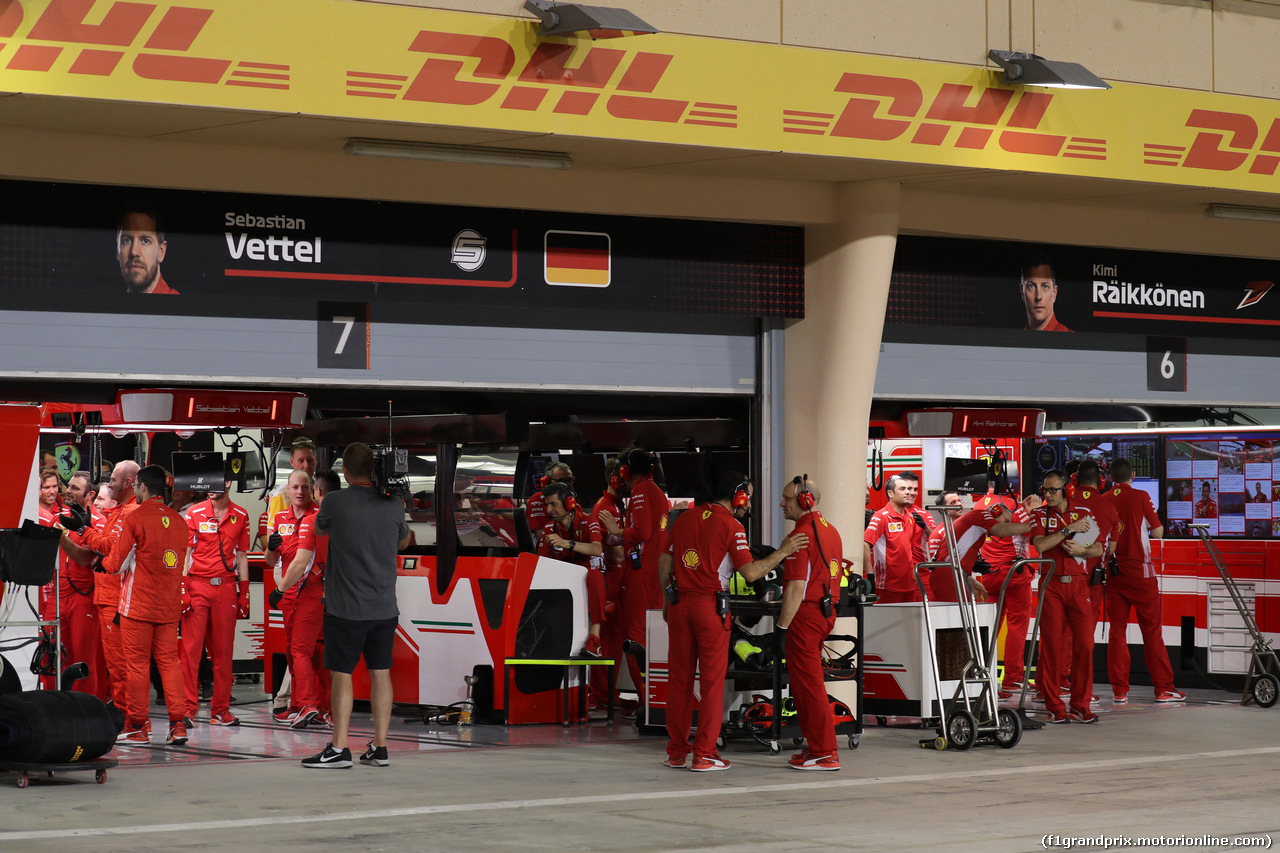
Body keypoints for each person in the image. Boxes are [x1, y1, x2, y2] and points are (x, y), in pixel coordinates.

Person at [658, 468, 805, 772]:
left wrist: (666, 600)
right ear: (737, 494)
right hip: (710, 610)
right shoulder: (732, 526)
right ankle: (704, 755)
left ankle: (676, 752)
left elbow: (663, 563)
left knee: (679, 682)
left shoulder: (683, 518)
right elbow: (751, 573)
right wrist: (784, 551)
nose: (748, 504)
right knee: (711, 683)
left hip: (680, 606)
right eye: (747, 497)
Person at [303, 442, 409, 770]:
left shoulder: (335, 502)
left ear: (345, 471)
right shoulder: (393, 503)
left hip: (345, 608)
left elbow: (319, 528)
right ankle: (379, 747)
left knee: (342, 675)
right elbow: (404, 540)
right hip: (384, 607)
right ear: (375, 469)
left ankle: (338, 748)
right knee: (381, 673)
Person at [99, 465, 190, 744]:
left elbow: (115, 565)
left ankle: (138, 726)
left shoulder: (135, 519)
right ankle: (178, 726)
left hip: (137, 606)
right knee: (169, 664)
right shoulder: (180, 521)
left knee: (137, 666)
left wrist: (100, 562)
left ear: (142, 487)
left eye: (137, 486)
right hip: (169, 606)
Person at [776, 476, 844, 771]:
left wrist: (780, 629)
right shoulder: (831, 531)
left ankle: (825, 751)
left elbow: (794, 588)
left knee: (809, 685)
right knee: (807, 684)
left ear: (805, 500)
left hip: (805, 616)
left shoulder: (800, 536)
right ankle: (816, 746)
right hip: (825, 612)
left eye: (787, 499)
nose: (782, 503)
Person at [67, 460, 141, 725]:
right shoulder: (120, 514)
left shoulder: (130, 514)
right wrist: (86, 529)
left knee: (122, 667)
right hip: (109, 597)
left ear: (129, 483)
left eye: (111, 484)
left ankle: (131, 722)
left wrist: (83, 531)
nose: (107, 486)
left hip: (117, 599)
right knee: (118, 667)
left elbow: (110, 550)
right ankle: (127, 719)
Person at [1106, 459, 1185, 704]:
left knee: (1116, 632)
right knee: (1151, 631)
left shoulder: (1104, 499)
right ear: (1133, 474)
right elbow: (1158, 532)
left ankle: (1119, 691)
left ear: (1111, 477)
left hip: (1113, 571)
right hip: (1141, 572)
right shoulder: (1141, 496)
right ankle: (1163, 688)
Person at [1029, 470, 1102, 724]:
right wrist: (1067, 529)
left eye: (1053, 490)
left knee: (1085, 645)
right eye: (1045, 491)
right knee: (1052, 648)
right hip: (1051, 587)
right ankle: (1054, 705)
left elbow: (1099, 547)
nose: (1047, 495)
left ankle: (1080, 704)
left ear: (1066, 490)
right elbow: (1040, 545)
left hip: (1080, 586)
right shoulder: (1039, 514)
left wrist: (1083, 549)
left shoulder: (1083, 513)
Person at [597, 448, 671, 700]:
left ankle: (647, 701)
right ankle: (654, 699)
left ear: (625, 471)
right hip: (654, 572)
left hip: (642, 574)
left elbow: (642, 532)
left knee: (635, 637)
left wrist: (615, 530)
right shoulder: (655, 491)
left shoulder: (641, 491)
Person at [183, 480, 251, 726]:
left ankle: (220, 709)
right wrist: (183, 587)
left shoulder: (241, 515)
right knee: (191, 652)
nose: (209, 485)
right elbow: (186, 552)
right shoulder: (194, 512)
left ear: (229, 482)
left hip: (225, 588)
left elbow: (242, 555)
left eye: (217, 479)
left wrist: (244, 592)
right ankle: (188, 709)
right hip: (197, 586)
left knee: (224, 653)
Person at [267, 470, 330, 728]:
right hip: (289, 593)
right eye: (295, 487)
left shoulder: (320, 518)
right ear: (288, 491)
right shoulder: (280, 518)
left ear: (313, 489)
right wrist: (270, 548)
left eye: (305, 487)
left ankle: (311, 705)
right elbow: (273, 560)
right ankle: (299, 704)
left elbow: (305, 561)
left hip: (312, 589)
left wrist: (280, 589)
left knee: (308, 650)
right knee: (293, 651)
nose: (300, 492)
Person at [975, 491, 1038, 697]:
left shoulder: (978, 505)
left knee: (989, 630)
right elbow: (1035, 532)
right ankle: (1013, 679)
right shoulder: (1011, 504)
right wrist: (1032, 510)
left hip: (988, 575)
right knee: (1017, 627)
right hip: (1014, 574)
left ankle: (984, 677)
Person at [53, 471, 108, 700]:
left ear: (90, 494)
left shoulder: (99, 523)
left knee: (84, 660)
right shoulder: (59, 519)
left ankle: (86, 711)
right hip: (58, 595)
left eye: (75, 488)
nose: (68, 490)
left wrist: (62, 538)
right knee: (57, 658)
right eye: (69, 486)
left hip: (85, 596)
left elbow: (87, 559)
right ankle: (59, 708)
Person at [536, 481, 606, 659]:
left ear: (569, 503)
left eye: (553, 504)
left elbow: (597, 549)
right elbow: (542, 563)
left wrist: (567, 543)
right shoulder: (548, 529)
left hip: (586, 578)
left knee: (595, 576)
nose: (548, 510)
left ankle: (595, 639)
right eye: (547, 505)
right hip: (561, 581)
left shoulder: (589, 521)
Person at [927, 501, 1031, 604]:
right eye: (1006, 521)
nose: (1007, 526)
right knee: (954, 618)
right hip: (948, 575)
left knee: (959, 618)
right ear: (996, 512)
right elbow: (1001, 530)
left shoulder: (976, 524)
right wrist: (1033, 525)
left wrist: (969, 579)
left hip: (953, 574)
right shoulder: (981, 515)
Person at [590, 457, 628, 708]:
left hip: (617, 576)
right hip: (614, 577)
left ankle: (605, 694)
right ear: (616, 479)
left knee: (614, 638)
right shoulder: (606, 508)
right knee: (611, 638)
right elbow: (616, 554)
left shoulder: (614, 506)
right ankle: (605, 696)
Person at [863, 472, 935, 603]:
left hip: (909, 585)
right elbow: (865, 544)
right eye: (903, 489)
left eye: (909, 489)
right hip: (887, 587)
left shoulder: (911, 517)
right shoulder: (881, 516)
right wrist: (870, 575)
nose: (908, 492)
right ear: (891, 493)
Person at [261, 437, 319, 548]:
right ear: (292, 462)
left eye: (310, 460)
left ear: (316, 460)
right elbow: (271, 539)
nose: (306, 465)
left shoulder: (320, 490)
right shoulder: (280, 495)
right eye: (301, 461)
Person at [117, 205, 178, 295]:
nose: (134, 252)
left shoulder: (176, 306)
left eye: (146, 241)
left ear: (161, 252)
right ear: (117, 251)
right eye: (127, 240)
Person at [525, 461, 574, 548]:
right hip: (548, 552)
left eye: (569, 480)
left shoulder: (571, 499)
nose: (566, 485)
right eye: (561, 481)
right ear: (547, 481)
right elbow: (541, 535)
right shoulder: (537, 500)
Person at [1020, 252, 1069, 332]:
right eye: (1031, 286)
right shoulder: (1012, 340)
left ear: (1054, 293)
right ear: (1022, 292)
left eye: (1045, 286)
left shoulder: (1070, 340)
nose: (1038, 296)